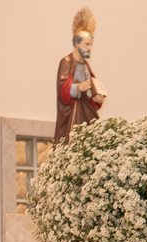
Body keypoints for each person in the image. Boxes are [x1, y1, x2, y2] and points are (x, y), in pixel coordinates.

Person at [53, 7, 105, 143]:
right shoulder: (67, 62)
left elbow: (90, 87)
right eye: (86, 44)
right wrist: (77, 88)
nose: (89, 48)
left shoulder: (86, 66)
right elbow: (62, 88)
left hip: (86, 112)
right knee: (73, 141)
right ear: (77, 43)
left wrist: (97, 97)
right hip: (72, 114)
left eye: (91, 45)